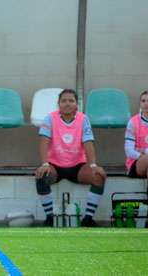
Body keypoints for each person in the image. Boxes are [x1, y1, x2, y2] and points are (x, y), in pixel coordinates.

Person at [35, 88, 106, 228]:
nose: (67, 103)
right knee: (41, 176)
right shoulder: (50, 118)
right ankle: (50, 218)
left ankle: (88, 219)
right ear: (58, 104)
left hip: (78, 166)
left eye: (71, 101)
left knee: (99, 175)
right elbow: (44, 142)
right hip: (55, 165)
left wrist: (92, 165)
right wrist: (44, 164)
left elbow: (88, 143)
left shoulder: (83, 119)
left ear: (76, 104)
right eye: (64, 101)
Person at [125, 89, 148, 228]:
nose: (146, 104)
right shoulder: (133, 122)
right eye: (143, 101)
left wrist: (146, 151)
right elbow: (129, 151)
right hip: (136, 163)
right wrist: (144, 156)